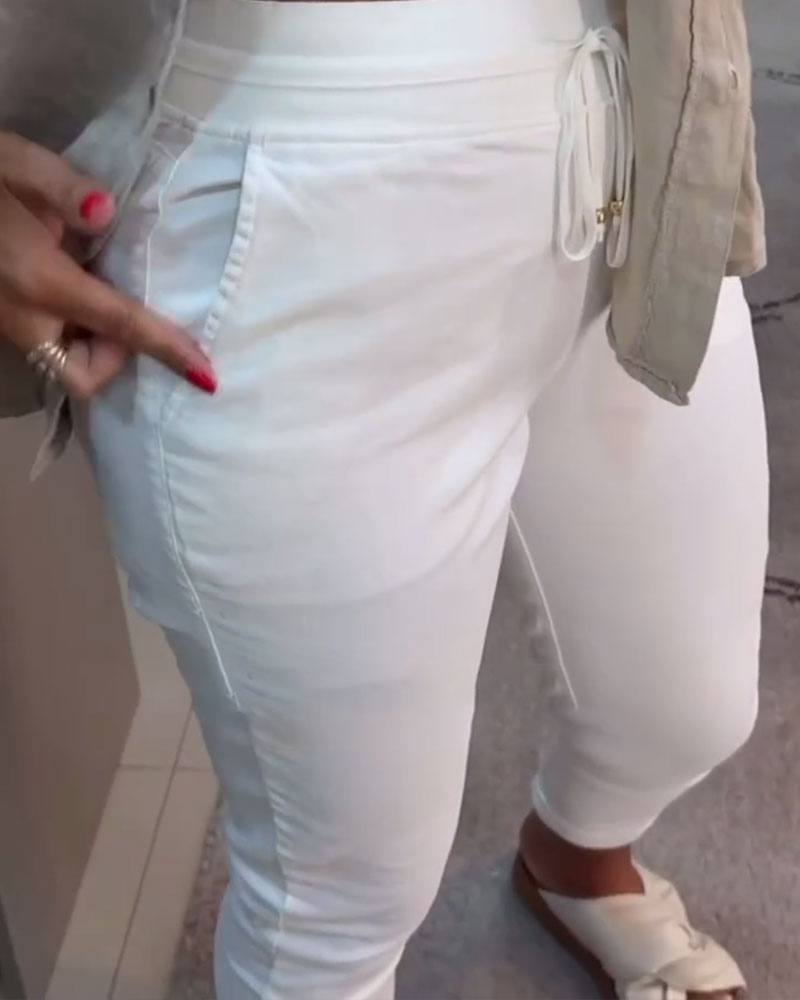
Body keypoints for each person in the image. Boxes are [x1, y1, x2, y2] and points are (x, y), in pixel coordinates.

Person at [0, 1, 768, 999]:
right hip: (288, 208)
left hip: (628, 132)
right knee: (343, 891)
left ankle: (575, 863)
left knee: (686, 710)